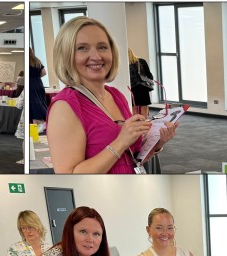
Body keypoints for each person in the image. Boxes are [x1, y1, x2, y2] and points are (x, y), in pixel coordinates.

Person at [48, 17, 176, 174]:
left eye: (102, 47)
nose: (96, 56)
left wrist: (157, 143)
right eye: (82, 48)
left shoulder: (116, 96)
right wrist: (121, 141)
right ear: (67, 55)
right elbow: (68, 175)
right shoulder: (65, 106)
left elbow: (129, 159)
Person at [128, 48, 153, 118]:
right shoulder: (141, 61)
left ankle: (136, 126)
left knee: (133, 110)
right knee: (144, 110)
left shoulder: (124, 65)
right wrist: (150, 82)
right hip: (143, 88)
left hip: (131, 89)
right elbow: (149, 75)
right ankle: (144, 125)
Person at [29, 50, 49, 131]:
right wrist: (36, 77)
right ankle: (42, 120)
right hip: (39, 84)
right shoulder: (36, 60)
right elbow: (44, 72)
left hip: (30, 84)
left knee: (33, 104)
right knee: (41, 101)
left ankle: (37, 124)